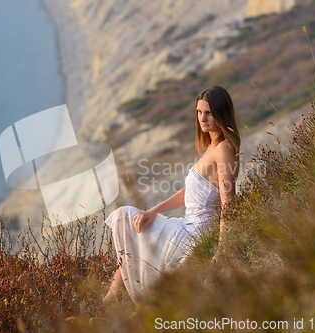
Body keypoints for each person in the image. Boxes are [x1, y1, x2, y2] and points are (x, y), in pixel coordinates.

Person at [102, 85, 241, 306]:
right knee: (135, 222)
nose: (202, 118)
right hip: (187, 225)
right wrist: (153, 211)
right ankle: (110, 300)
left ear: (221, 113)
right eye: (198, 112)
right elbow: (192, 192)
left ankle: (110, 301)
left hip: (195, 236)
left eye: (208, 112)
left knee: (125, 216)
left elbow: (229, 203)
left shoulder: (224, 149)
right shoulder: (212, 147)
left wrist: (222, 248)